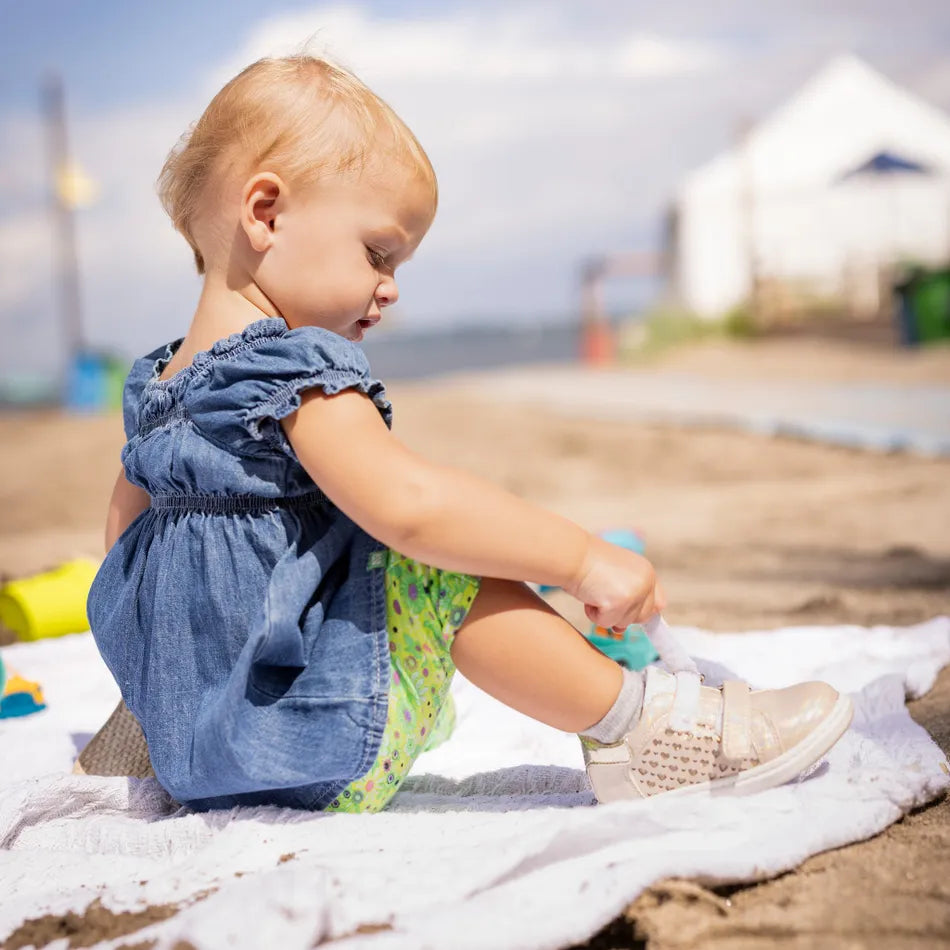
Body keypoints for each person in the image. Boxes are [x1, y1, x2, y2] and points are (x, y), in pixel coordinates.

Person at [84, 54, 852, 812]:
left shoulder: (157, 390)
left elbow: (124, 563)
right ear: (266, 213)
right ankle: (640, 730)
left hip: (202, 759)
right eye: (378, 252)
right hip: (310, 740)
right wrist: (581, 557)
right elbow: (413, 505)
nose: (390, 288)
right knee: (427, 563)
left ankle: (620, 702)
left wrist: (175, 697)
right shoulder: (291, 371)